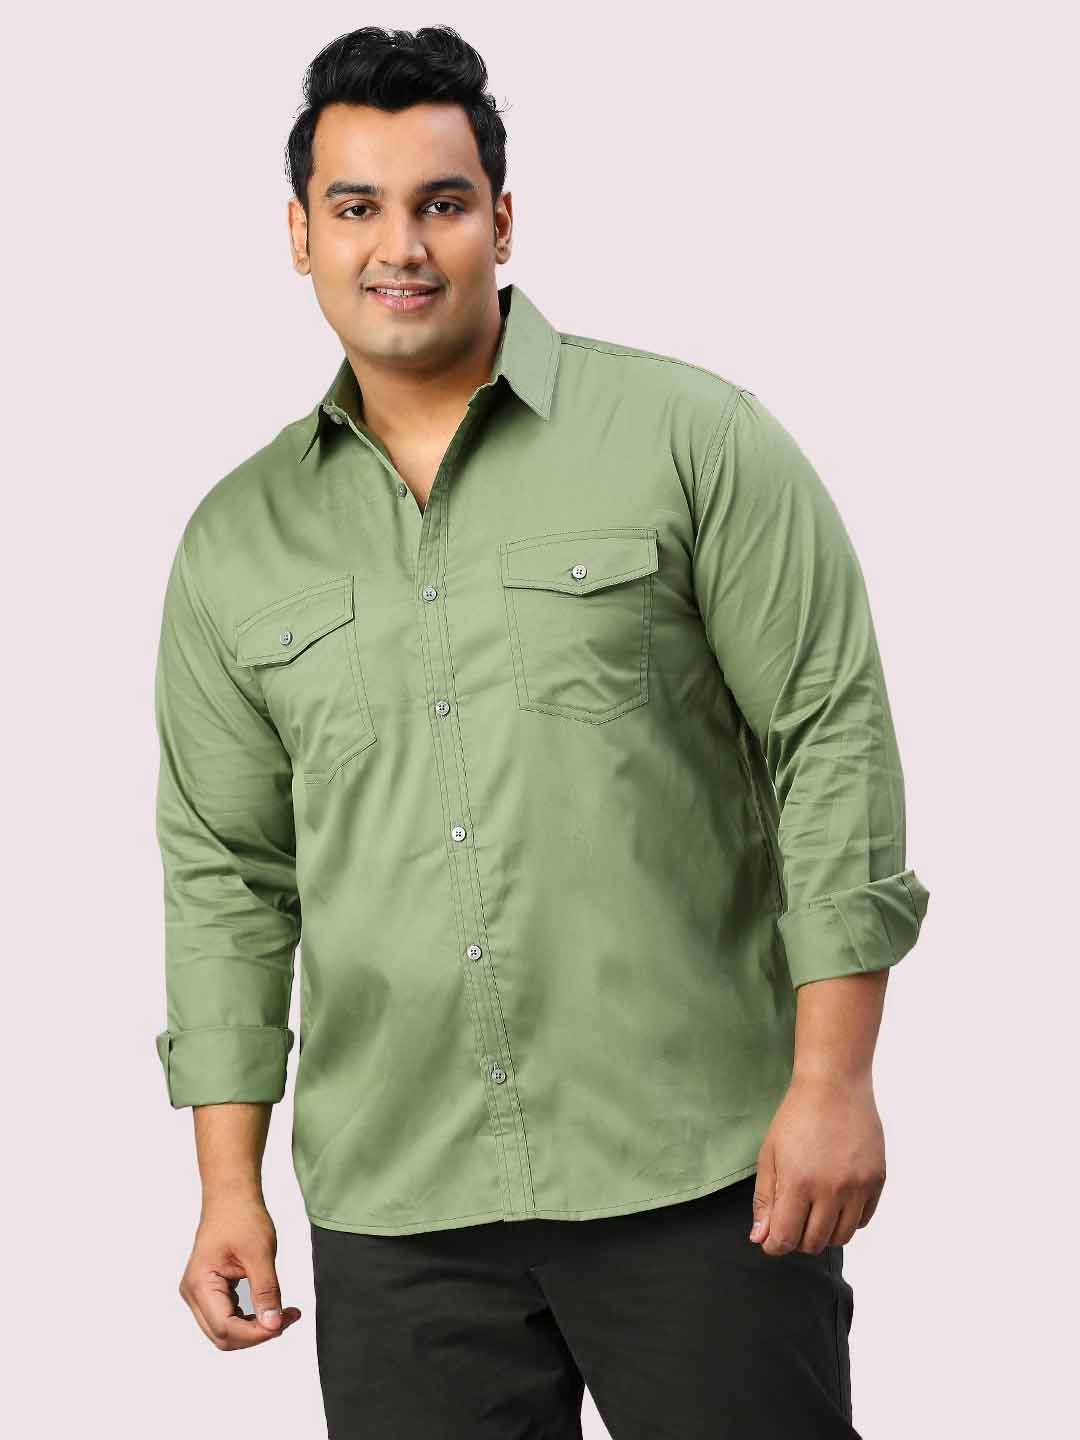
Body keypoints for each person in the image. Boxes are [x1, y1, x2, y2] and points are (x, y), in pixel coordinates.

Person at [151, 23, 930, 1439]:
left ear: (501, 222)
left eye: (442, 203)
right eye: (357, 206)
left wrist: (835, 1080)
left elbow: (830, 743)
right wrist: (225, 1184)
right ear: (299, 235)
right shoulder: (233, 543)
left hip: (703, 1177)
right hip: (398, 1210)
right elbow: (227, 879)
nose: (401, 246)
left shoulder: (691, 439)